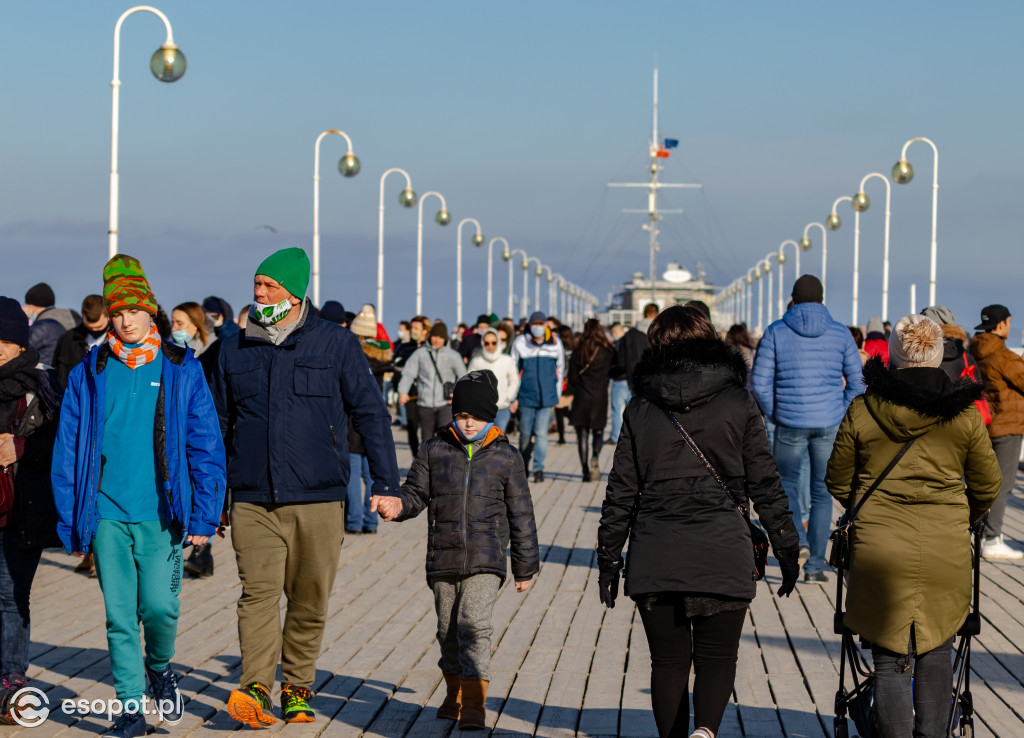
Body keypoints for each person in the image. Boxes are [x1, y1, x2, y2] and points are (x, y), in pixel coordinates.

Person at [213, 248, 399, 727]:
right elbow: (214, 424)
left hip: (318, 497)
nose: (259, 293)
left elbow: (371, 413)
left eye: (269, 286)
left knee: (309, 598)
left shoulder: (335, 344)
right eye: (256, 285)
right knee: (256, 594)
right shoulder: (234, 347)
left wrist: (386, 483)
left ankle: (296, 685)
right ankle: (255, 685)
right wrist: (211, 496)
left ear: (295, 293)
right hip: (252, 496)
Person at [597, 305, 799, 738]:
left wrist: (609, 561)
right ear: (710, 341)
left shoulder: (639, 407)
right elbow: (765, 480)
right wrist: (785, 545)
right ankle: (705, 732)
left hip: (657, 551)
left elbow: (621, 492)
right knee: (718, 658)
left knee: (668, 662)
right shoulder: (740, 401)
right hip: (722, 550)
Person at [52, 255, 226, 738]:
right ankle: (130, 708)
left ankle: (160, 666)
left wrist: (205, 515)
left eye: (134, 310)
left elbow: (206, 444)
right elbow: (68, 448)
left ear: (152, 312)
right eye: (117, 311)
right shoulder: (91, 369)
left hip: (162, 514)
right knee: (118, 616)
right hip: (106, 512)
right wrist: (71, 520)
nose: (126, 320)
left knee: (159, 608)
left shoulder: (180, 367)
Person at [825, 315, 1001, 737]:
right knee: (938, 647)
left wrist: (866, 510)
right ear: (939, 356)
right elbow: (988, 484)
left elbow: (836, 478)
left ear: (895, 356)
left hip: (878, 548)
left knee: (888, 655)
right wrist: (963, 515)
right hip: (945, 548)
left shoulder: (864, 409)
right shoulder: (963, 417)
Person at [376, 371, 539, 731]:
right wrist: (398, 505)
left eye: (476, 416)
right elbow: (416, 493)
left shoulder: (506, 457)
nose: (468, 422)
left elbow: (521, 513)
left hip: (487, 559)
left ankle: (476, 704)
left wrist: (525, 567)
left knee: (474, 625)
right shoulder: (434, 450)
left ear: (490, 416)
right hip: (444, 557)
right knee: (448, 630)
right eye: (462, 414)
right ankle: (455, 693)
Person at [751, 275, 865, 583]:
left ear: (793, 297)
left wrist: (776, 412)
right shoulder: (840, 334)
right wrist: (838, 411)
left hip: (788, 422)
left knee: (786, 486)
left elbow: (759, 382)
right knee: (822, 492)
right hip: (828, 423)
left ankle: (796, 545)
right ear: (822, 298)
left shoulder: (776, 331)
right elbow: (857, 383)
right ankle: (815, 566)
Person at [0, 298, 62, 722]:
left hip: (22, 509)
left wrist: (18, 446)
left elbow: (60, 448)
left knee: (10, 596)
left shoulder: (42, 388)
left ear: (21, 345)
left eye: (4, 340)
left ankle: (10, 677)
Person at [968, 304, 1024, 560]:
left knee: (984, 481)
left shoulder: (975, 350)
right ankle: (992, 538)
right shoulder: (1003, 356)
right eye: (1010, 322)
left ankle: (980, 534)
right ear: (1001, 324)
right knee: (1004, 483)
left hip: (985, 424)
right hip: (1008, 426)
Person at [345, 306, 394, 535]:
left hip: (352, 422)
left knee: (353, 474)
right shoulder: (381, 358)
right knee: (369, 474)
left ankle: (354, 521)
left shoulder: (351, 354)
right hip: (375, 422)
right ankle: (371, 521)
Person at [510, 312, 565, 483]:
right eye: (535, 323)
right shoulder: (521, 342)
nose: (538, 327)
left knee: (541, 433)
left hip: (547, 397)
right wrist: (514, 396)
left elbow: (561, 368)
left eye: (541, 324)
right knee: (525, 434)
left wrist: (556, 394)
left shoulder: (555, 343)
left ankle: (539, 468)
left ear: (546, 326)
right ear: (530, 325)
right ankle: (524, 464)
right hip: (526, 396)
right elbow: (513, 370)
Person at [398, 321, 466, 443]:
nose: (436, 339)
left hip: (446, 403)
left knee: (446, 439)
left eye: (440, 337)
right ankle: (428, 461)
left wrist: (457, 395)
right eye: (434, 336)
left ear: (445, 338)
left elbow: (463, 378)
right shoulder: (420, 353)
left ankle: (444, 461)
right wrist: (403, 391)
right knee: (427, 439)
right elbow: (408, 373)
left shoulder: (454, 355)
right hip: (425, 403)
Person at [568, 319, 614, 481]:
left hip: (582, 396)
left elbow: (572, 377)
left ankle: (585, 471)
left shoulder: (579, 350)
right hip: (600, 395)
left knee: (582, 435)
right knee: (598, 430)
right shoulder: (607, 350)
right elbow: (615, 370)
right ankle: (595, 455)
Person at [467, 328, 519, 432]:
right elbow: (469, 383)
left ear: (498, 342)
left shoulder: (507, 360)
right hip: (481, 410)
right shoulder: (477, 361)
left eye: (494, 343)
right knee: (482, 441)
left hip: (502, 408)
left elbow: (514, 381)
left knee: (498, 440)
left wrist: (508, 397)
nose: (490, 346)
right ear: (483, 343)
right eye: (487, 343)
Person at [54, 294, 110, 389]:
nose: (94, 330)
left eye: (99, 327)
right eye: (90, 327)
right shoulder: (67, 339)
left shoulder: (115, 342)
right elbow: (56, 373)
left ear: (108, 316)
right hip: (70, 399)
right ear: (82, 315)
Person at [394, 316, 430, 455]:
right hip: (411, 395)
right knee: (412, 427)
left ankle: (428, 456)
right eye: (412, 328)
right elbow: (395, 364)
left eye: (417, 328)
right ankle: (416, 457)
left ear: (425, 331)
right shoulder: (404, 347)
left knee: (428, 430)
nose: (413, 331)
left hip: (428, 395)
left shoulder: (430, 348)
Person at [23, 283, 81, 367]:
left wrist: (22, 318)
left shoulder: (43, 326)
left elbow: (19, 348)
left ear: (32, 306)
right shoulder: (70, 317)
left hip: (46, 374)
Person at [614, 303, 658, 396]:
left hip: (633, 379)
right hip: (655, 381)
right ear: (656, 314)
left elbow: (621, 358)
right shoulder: (659, 332)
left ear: (643, 314)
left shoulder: (630, 333)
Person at [553, 325, 575, 445]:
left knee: (559, 411)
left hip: (562, 383)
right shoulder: (574, 349)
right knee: (564, 409)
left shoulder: (559, 348)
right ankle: (576, 422)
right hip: (571, 384)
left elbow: (563, 368)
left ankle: (562, 437)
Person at [608, 322, 629, 444]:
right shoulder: (630, 342)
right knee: (630, 410)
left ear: (615, 332)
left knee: (616, 410)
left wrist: (611, 372)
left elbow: (618, 364)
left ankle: (615, 436)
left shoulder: (617, 345)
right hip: (630, 380)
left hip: (619, 380)